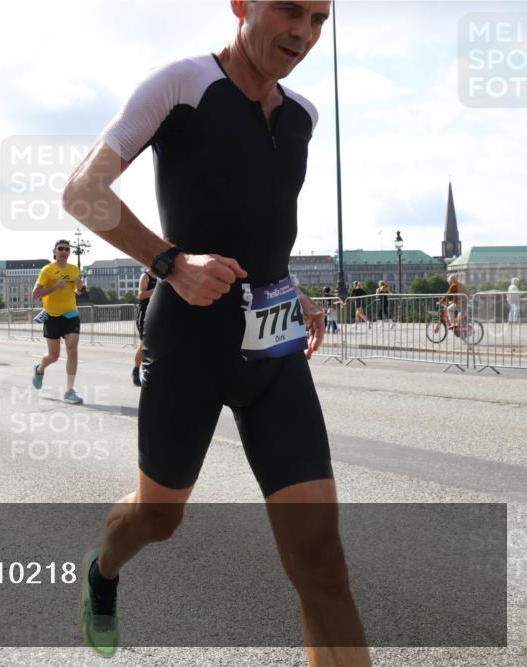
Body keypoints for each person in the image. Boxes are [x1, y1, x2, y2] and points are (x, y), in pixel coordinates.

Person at [61, 2, 370, 664]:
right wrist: (171, 262)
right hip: (190, 345)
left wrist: (294, 289)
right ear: (242, 4)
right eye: (291, 10)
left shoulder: (303, 118)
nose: (305, 33)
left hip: (275, 348)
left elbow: (259, 231)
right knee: (157, 518)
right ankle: (102, 571)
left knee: (321, 560)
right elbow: (81, 190)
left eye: (320, 19)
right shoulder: (180, 86)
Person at [30, 239, 86, 405]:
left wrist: (80, 287)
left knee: (72, 349)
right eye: (60, 248)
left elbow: (77, 290)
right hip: (52, 316)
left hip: (71, 314)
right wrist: (55, 286)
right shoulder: (47, 270)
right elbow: (35, 294)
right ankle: (39, 369)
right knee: (54, 356)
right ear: (54, 252)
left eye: (67, 249)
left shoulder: (74, 269)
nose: (64, 251)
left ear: (69, 252)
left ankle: (69, 390)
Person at [132, 269, 157, 386]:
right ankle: (136, 370)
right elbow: (141, 295)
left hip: (158, 314)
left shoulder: (162, 277)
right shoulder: (145, 276)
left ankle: (153, 373)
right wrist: (157, 289)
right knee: (144, 344)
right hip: (145, 314)